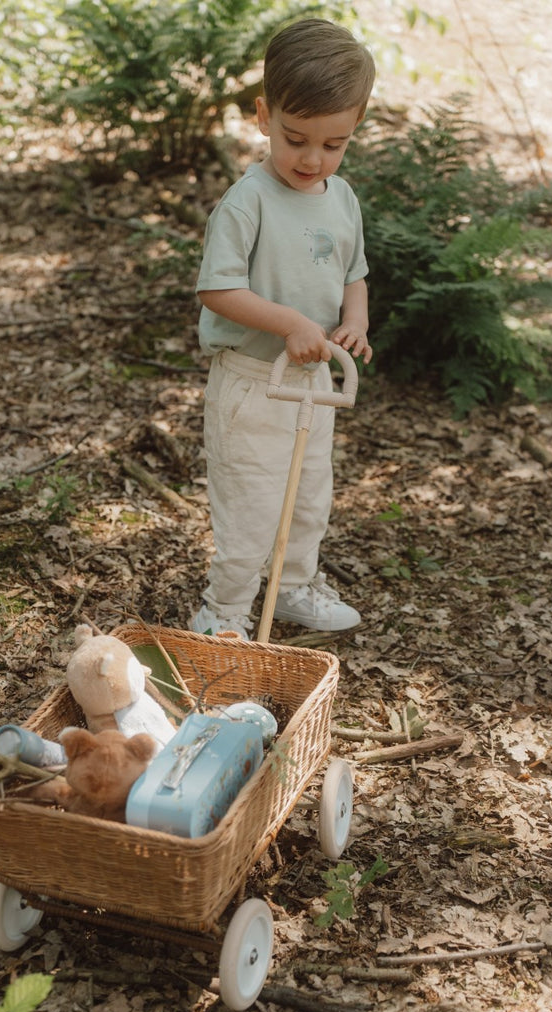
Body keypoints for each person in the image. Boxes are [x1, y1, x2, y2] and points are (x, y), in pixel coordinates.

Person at [189, 17, 376, 642]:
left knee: (308, 495)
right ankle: (226, 609)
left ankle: (294, 585)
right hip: (251, 381)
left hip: (313, 380)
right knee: (251, 503)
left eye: (333, 144)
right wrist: (292, 321)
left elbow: (354, 270)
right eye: (297, 140)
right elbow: (218, 288)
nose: (313, 158)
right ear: (264, 116)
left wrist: (354, 319)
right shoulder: (249, 201)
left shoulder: (341, 196)